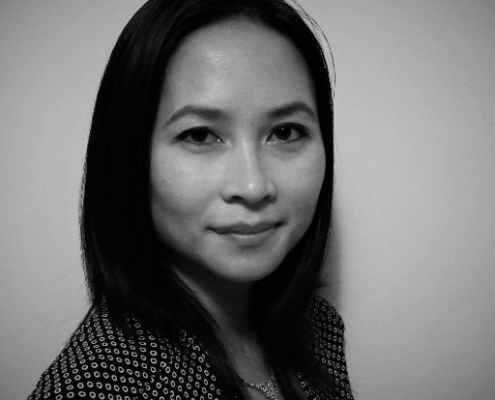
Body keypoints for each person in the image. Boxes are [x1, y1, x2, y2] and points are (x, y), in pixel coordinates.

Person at [27, 0, 353, 399]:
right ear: (128, 157)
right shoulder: (97, 385)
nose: (253, 186)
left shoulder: (318, 327)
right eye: (200, 135)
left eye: (285, 132)